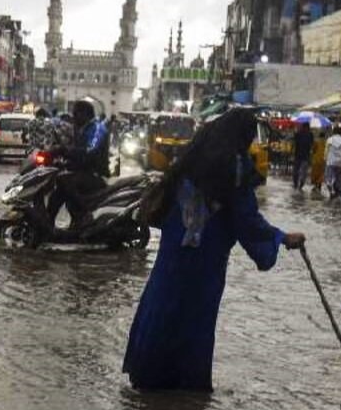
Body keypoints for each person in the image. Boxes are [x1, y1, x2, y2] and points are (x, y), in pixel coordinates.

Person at [122, 108, 306, 391]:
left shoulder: (190, 160)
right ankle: (187, 387)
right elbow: (246, 219)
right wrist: (280, 237)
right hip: (204, 260)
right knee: (195, 319)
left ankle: (147, 377)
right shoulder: (234, 166)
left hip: (173, 254)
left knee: (161, 306)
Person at [48, 99, 109, 230]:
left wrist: (64, 150)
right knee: (59, 186)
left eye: (76, 114)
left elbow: (89, 151)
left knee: (65, 181)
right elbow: (78, 155)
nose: (73, 117)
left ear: (85, 114)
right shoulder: (82, 129)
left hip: (95, 175)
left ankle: (86, 215)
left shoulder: (97, 129)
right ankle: (49, 225)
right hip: (84, 172)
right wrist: (62, 162)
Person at [325, 125, 341, 199]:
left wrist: (325, 159)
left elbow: (326, 151)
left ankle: (331, 191)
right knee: (338, 179)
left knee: (328, 178)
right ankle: (337, 194)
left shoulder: (329, 140)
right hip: (339, 163)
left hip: (330, 162)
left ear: (334, 132)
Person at [292, 121, 313, 191]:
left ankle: (301, 184)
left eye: (307, 127)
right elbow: (294, 142)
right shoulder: (298, 134)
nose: (306, 129)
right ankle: (295, 184)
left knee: (303, 172)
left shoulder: (310, 135)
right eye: (305, 127)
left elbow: (311, 145)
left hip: (306, 156)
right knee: (296, 171)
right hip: (298, 155)